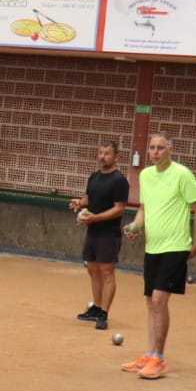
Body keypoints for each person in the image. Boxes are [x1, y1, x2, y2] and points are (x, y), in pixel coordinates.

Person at [121, 134, 196, 379]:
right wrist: (135, 226)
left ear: (170, 149)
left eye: (160, 148)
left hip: (176, 246)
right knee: (150, 301)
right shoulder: (146, 175)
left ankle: (159, 358)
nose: (155, 152)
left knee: (159, 300)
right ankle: (149, 354)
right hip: (152, 247)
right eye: (152, 148)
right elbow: (144, 209)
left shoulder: (182, 174)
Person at [70, 140, 130, 331]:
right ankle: (96, 308)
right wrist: (80, 203)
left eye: (107, 153)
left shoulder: (119, 180)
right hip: (92, 231)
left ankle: (104, 313)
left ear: (116, 157)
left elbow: (119, 209)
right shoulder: (94, 177)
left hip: (109, 234)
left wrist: (95, 218)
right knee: (93, 269)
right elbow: (89, 198)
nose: (102, 157)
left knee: (107, 272)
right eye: (101, 153)